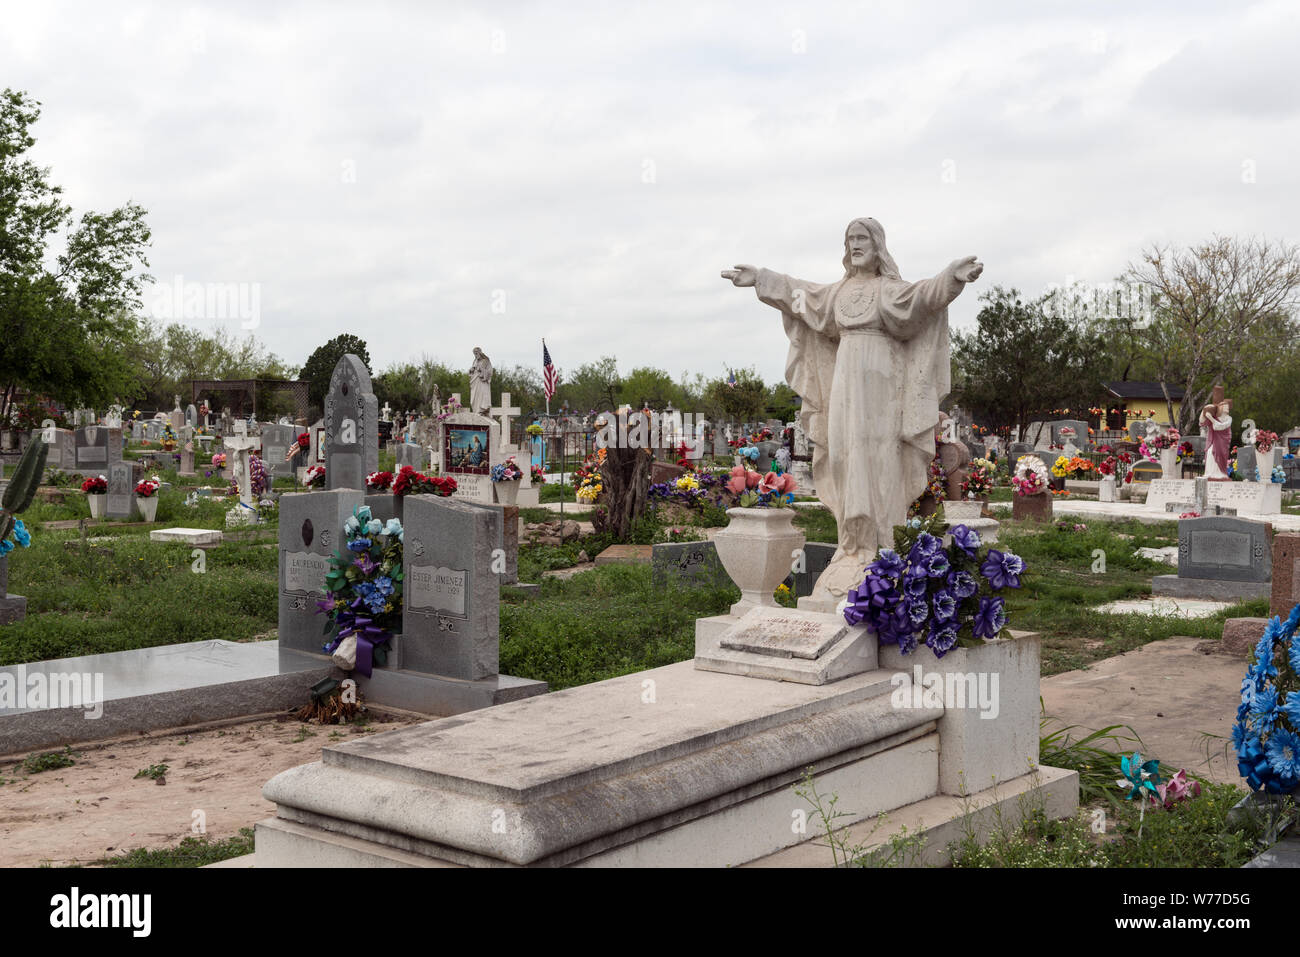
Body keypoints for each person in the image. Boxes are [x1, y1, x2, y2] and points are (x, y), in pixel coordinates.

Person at [722, 217, 981, 602]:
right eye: (850, 239)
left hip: (880, 385)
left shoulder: (889, 290)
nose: (855, 244)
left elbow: (924, 297)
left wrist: (952, 278)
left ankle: (881, 545)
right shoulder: (838, 294)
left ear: (877, 246)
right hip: (844, 384)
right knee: (843, 456)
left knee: (878, 459)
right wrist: (761, 278)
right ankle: (850, 546)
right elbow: (800, 294)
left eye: (862, 238)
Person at [1201, 399, 1233, 481]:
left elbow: (1219, 427)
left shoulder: (1229, 418)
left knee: (1220, 455)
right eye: (1225, 407)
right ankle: (1210, 473)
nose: (1227, 408)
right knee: (1210, 452)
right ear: (1221, 408)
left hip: (1223, 441)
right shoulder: (1215, 416)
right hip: (1213, 440)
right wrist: (1204, 411)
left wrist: (1211, 418)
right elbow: (1202, 422)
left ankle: (1220, 474)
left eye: (1228, 407)